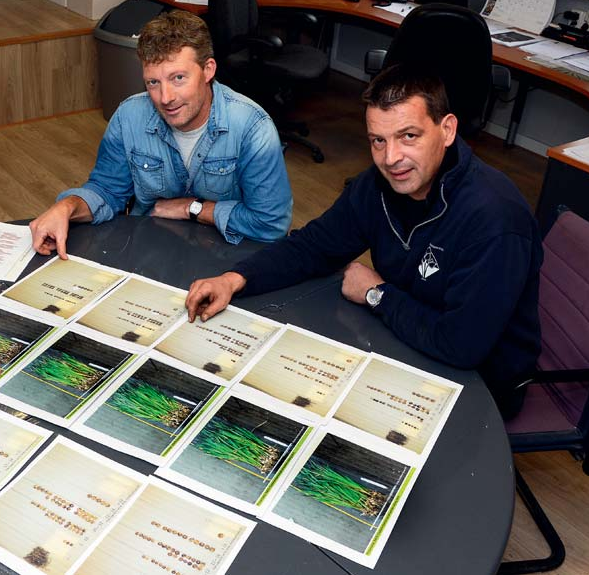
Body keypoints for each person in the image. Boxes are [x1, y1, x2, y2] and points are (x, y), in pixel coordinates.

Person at [184, 65, 542, 418]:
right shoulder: (379, 185)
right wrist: (233, 280)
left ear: (447, 130)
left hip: (480, 387)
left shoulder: (495, 218)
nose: (391, 158)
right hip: (406, 342)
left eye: (409, 137)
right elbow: (313, 247)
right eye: (378, 141)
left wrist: (377, 294)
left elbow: (462, 345)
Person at [29, 10, 292, 257]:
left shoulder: (252, 127)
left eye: (178, 78)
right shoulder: (129, 116)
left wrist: (193, 208)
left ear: (208, 70)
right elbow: (107, 191)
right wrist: (66, 207)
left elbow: (270, 225)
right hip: (149, 250)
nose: (165, 98)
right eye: (153, 82)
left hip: (225, 255)